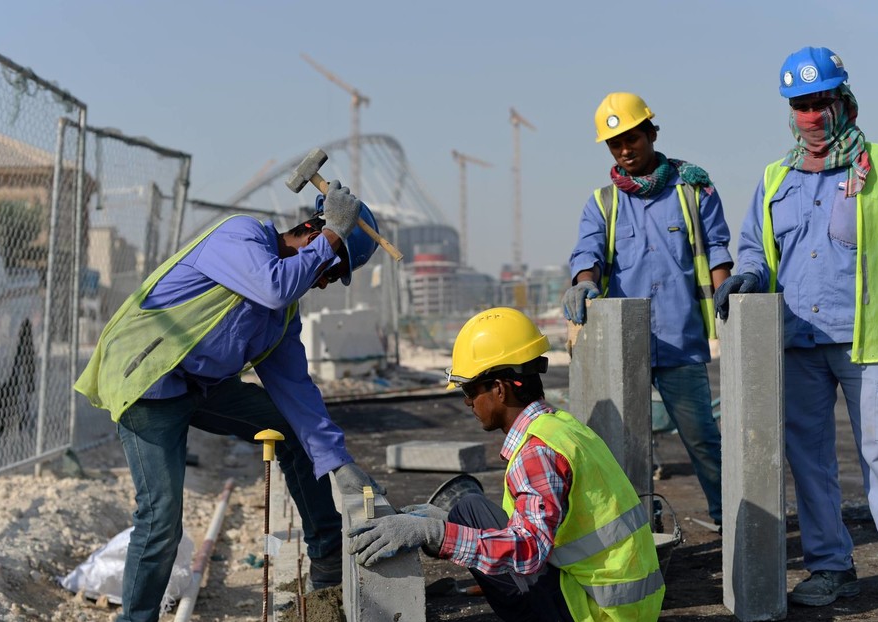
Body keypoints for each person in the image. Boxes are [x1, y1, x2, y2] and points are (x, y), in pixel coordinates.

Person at [74, 180, 385, 622]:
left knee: (294, 432)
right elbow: (272, 285)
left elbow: (297, 393)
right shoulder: (240, 236)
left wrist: (340, 462)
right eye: (329, 272)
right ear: (316, 236)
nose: (321, 285)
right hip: (149, 377)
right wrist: (334, 236)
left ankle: (328, 562)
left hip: (197, 386)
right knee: (161, 519)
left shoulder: (281, 318)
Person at [714, 47, 878, 620]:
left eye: (820, 103)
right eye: (801, 106)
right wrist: (744, 277)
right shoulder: (775, 177)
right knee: (809, 460)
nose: (812, 116)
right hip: (798, 343)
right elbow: (758, 252)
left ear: (842, 101)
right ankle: (831, 567)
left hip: (868, 342)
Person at [348, 307, 664, 621]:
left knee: (476, 526)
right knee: (469, 509)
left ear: (499, 389)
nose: (467, 401)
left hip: (598, 612)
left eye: (470, 389)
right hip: (623, 603)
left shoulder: (535, 452)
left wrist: (436, 533)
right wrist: (452, 523)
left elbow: (528, 551)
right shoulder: (562, 427)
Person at [564, 92, 733, 528]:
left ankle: (730, 520)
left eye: (632, 138)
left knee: (703, 441)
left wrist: (730, 303)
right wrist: (583, 284)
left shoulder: (693, 190)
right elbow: (588, 252)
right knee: (626, 447)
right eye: (615, 143)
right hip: (625, 347)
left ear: (651, 133)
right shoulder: (603, 203)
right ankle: (639, 526)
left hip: (680, 341)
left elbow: (716, 250)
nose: (625, 150)